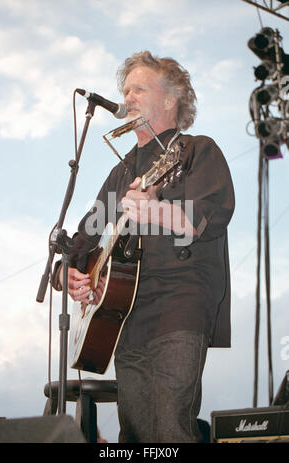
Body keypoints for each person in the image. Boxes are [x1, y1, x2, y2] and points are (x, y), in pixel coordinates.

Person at [53, 51, 235, 443]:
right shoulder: (121, 173)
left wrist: (157, 210)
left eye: (139, 89)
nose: (128, 97)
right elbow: (83, 242)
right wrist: (68, 275)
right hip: (123, 315)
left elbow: (212, 213)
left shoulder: (195, 151)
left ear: (170, 99)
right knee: (133, 434)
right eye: (125, 90)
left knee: (170, 426)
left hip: (180, 304)